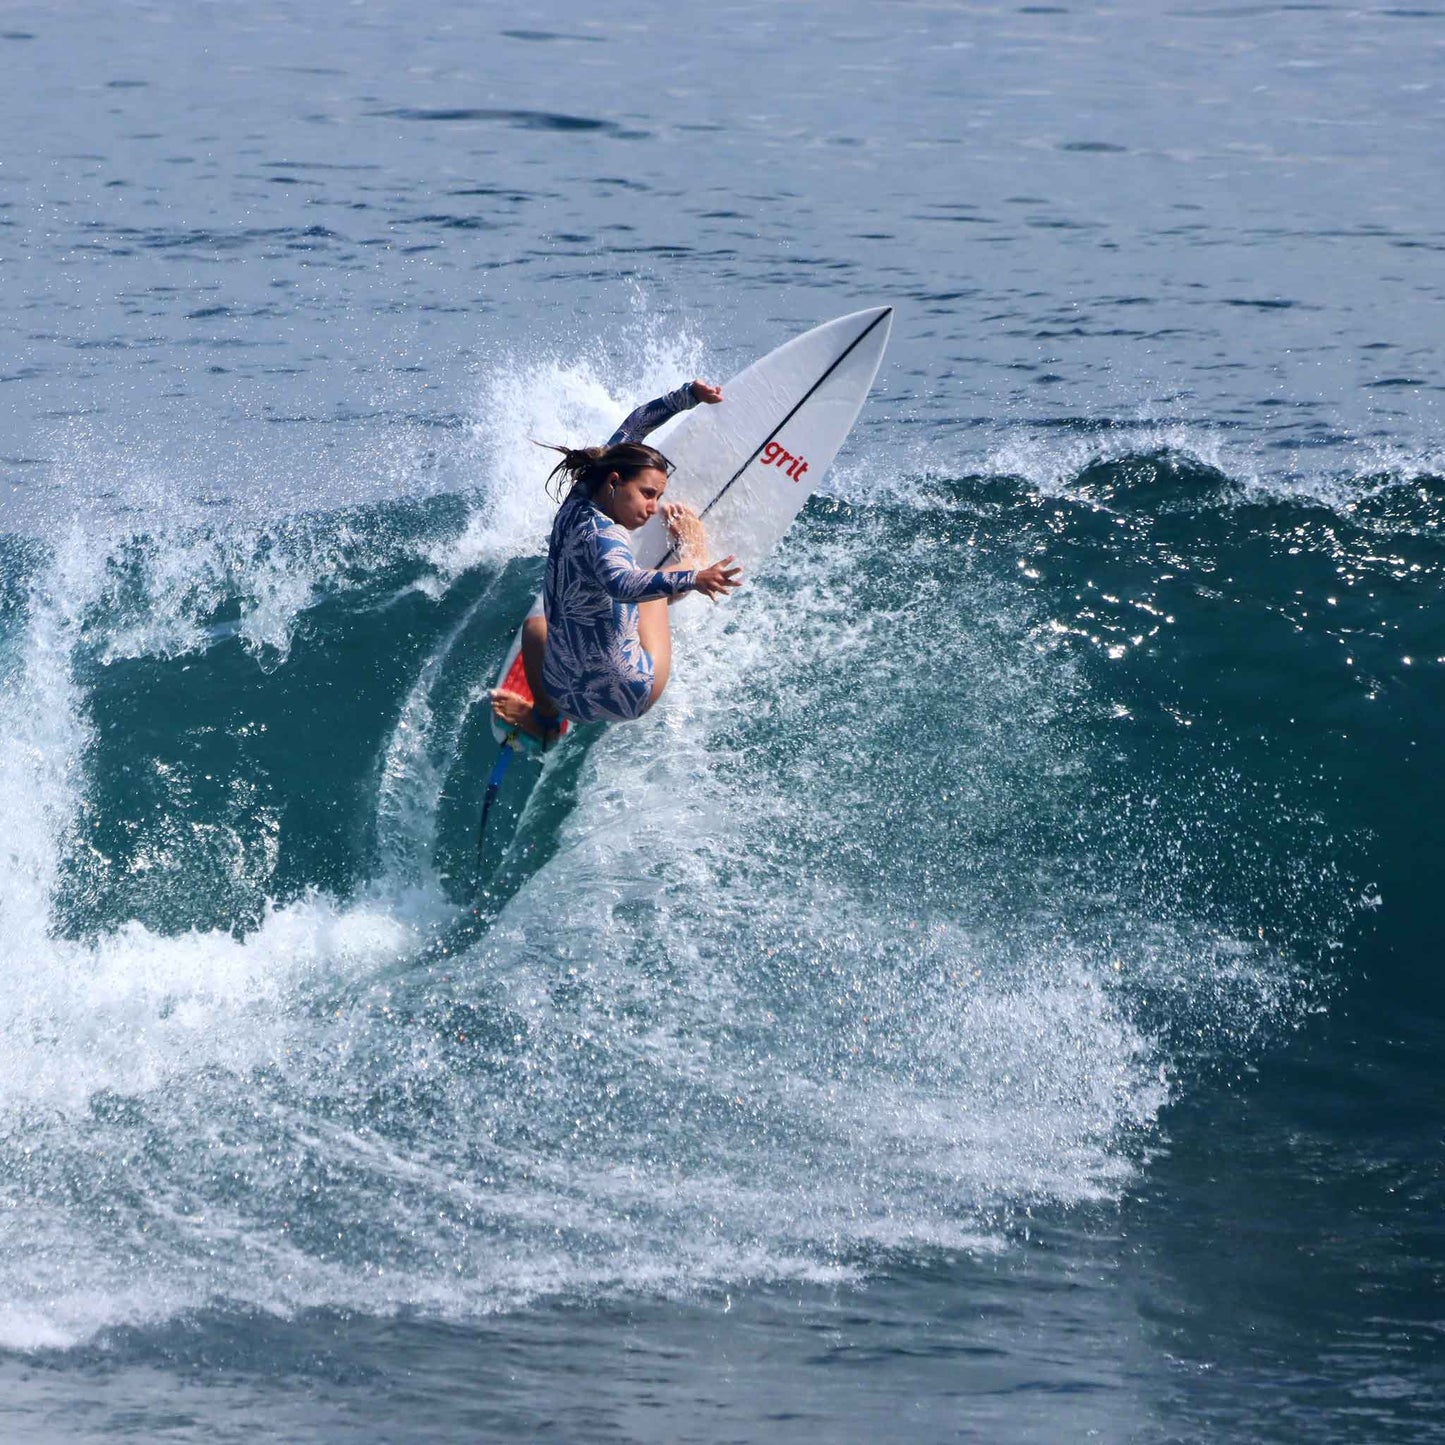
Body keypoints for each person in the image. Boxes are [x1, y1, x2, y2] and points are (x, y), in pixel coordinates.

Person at [490, 379, 743, 743]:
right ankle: (693, 552)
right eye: (647, 494)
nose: (653, 507)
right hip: (631, 693)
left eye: (657, 496)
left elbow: (636, 424)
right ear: (614, 482)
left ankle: (544, 720)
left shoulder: (579, 494)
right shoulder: (607, 535)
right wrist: (694, 577)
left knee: (535, 630)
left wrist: (687, 396)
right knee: (651, 586)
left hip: (570, 699)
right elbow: (622, 584)